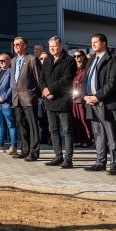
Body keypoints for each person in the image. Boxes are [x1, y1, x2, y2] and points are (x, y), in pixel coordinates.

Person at [83, 33, 116, 175]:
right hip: (91, 102)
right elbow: (85, 79)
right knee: (98, 134)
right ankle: (100, 162)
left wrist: (97, 97)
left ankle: (115, 164)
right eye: (92, 42)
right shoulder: (92, 59)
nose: (93, 45)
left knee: (111, 134)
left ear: (104, 43)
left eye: (96, 42)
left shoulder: (114, 59)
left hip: (106, 102)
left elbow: (112, 83)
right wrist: (85, 95)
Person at [40, 36, 76, 168]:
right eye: (50, 46)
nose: (52, 49)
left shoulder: (69, 60)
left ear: (60, 46)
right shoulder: (47, 60)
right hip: (49, 101)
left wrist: (50, 90)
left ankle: (68, 159)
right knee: (53, 130)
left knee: (67, 131)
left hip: (63, 101)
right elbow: (41, 78)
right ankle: (58, 156)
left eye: (54, 46)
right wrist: (45, 91)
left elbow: (66, 79)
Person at [10, 37, 42, 161]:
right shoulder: (13, 60)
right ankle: (25, 150)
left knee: (32, 126)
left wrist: (39, 96)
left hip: (29, 97)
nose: (16, 46)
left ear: (25, 45)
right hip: (16, 98)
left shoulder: (32, 59)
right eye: (15, 45)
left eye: (19, 44)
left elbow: (38, 79)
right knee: (21, 124)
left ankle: (34, 152)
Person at [0, 53, 18, 153]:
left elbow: (12, 87)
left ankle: (13, 146)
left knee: (11, 125)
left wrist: (3, 98)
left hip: (7, 103)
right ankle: (0, 144)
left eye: (3, 60)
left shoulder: (12, 71)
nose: (1, 62)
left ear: (9, 61)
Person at [70, 50, 92, 147]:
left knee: (83, 120)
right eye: (74, 56)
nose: (76, 58)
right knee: (76, 120)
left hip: (81, 98)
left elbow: (84, 84)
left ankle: (87, 140)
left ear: (83, 57)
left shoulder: (86, 69)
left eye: (78, 56)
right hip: (73, 98)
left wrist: (77, 94)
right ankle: (79, 139)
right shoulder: (73, 68)